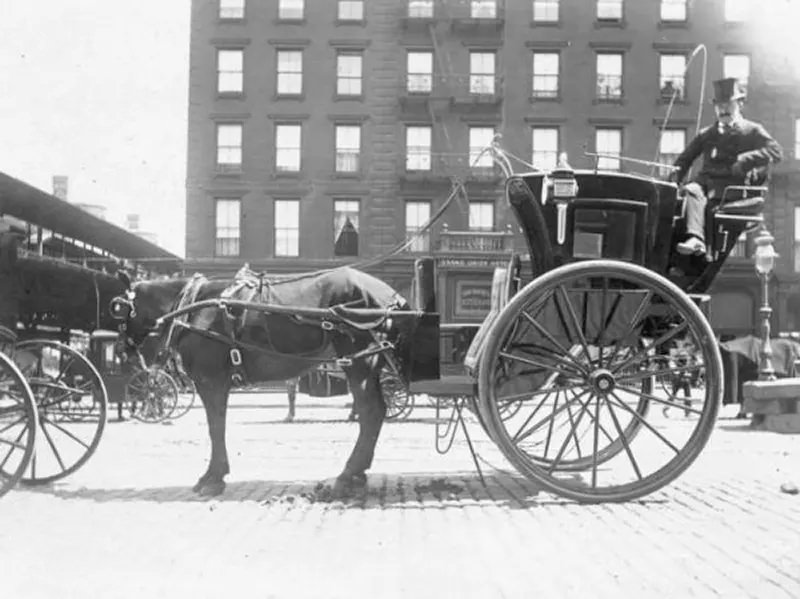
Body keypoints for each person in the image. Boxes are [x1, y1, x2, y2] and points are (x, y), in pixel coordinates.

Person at [671, 77, 783, 255]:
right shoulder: (706, 134)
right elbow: (684, 160)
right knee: (691, 190)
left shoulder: (751, 130)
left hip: (730, 187)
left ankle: (704, 250)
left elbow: (775, 151)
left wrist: (746, 159)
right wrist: (672, 180)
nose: (723, 110)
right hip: (705, 184)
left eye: (728, 105)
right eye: (719, 106)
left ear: (739, 104)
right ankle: (695, 240)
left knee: (709, 205)